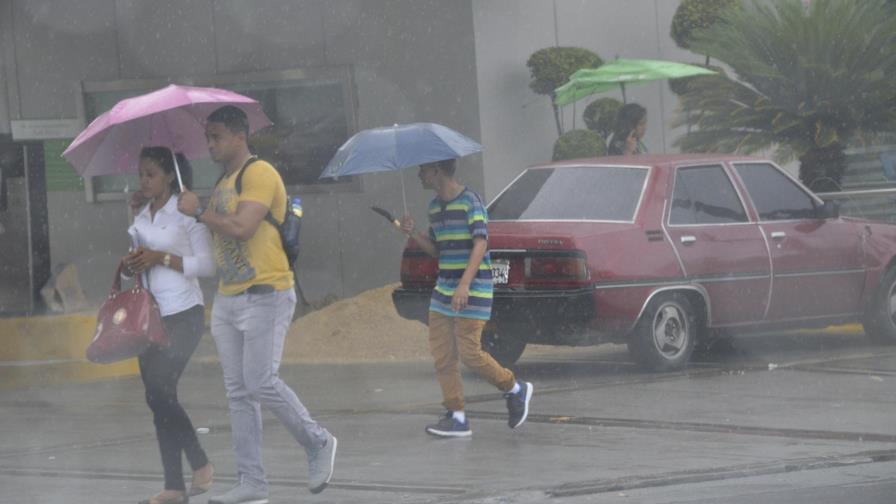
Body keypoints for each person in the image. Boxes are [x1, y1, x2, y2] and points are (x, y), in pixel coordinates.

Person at [177, 105, 336, 504]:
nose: (210, 145)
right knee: (238, 394)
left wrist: (199, 210)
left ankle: (317, 441)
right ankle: (252, 483)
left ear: (238, 136)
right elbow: (217, 241)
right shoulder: (222, 183)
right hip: (229, 299)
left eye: (216, 137)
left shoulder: (260, 173)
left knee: (260, 381)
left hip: (267, 292)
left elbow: (243, 227)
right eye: (207, 137)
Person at [399, 158, 533, 438]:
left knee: (471, 354)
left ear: (437, 171)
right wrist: (413, 233)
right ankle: (457, 415)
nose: (419, 174)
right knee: (443, 356)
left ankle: (514, 389)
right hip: (443, 291)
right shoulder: (435, 207)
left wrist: (464, 285)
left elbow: (481, 243)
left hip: (474, 288)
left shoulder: (471, 201)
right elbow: (438, 251)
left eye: (422, 169)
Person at [123, 147, 216, 504]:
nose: (143, 181)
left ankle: (200, 463)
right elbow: (139, 262)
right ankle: (174, 485)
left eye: (150, 174)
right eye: (141, 174)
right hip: (150, 316)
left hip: (184, 313)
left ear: (169, 175)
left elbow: (207, 266)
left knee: (161, 390)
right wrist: (134, 261)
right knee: (157, 397)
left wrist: (162, 257)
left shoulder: (186, 213)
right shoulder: (141, 214)